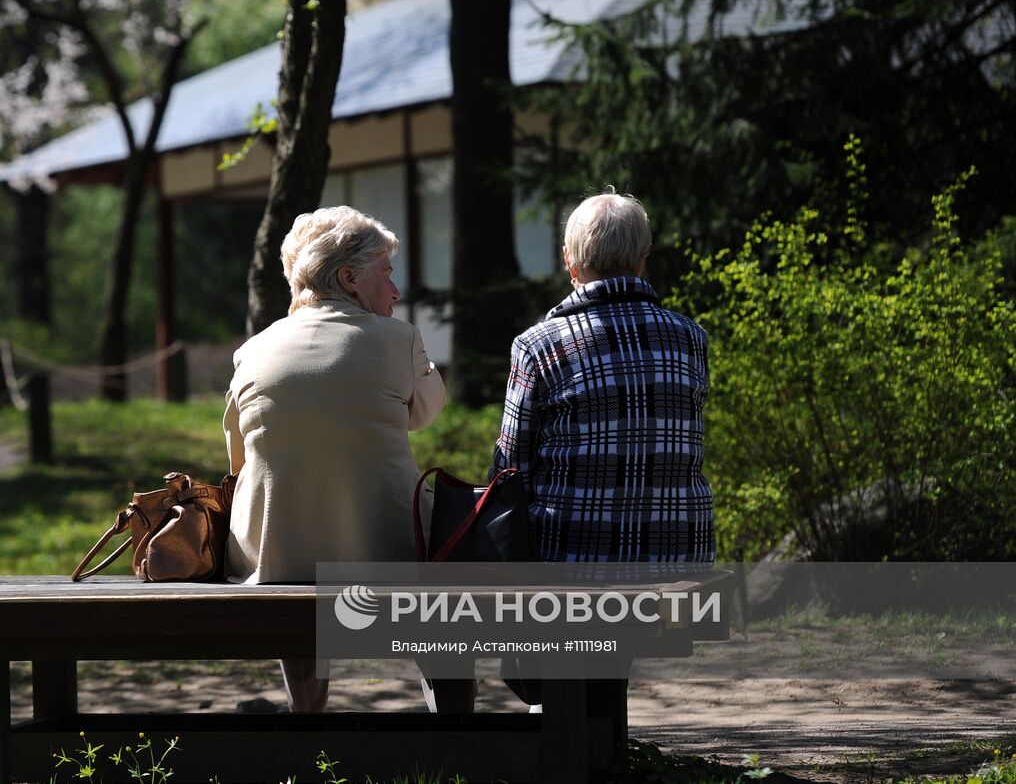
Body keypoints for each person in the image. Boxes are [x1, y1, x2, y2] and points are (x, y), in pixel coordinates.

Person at [490, 189, 714, 705]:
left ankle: (574, 748)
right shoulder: (691, 338)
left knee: (538, 649)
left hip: (573, 563)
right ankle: (598, 743)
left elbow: (510, 468)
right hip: (677, 562)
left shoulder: (539, 345)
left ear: (569, 261)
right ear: (642, 259)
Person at [223, 206, 446, 713]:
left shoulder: (253, 351)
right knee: (439, 553)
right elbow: (426, 413)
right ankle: (450, 723)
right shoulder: (399, 338)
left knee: (290, 535)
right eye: (386, 276)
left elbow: (239, 459)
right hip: (390, 554)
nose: (394, 292)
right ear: (348, 278)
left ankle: (307, 716)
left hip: (273, 560)